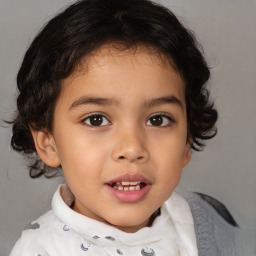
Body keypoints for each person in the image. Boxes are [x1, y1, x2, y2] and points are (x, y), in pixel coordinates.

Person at [9, 0, 255, 255]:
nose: (132, 148)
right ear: (48, 142)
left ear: (187, 139)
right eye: (96, 120)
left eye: (157, 120)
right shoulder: (42, 249)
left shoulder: (210, 229)